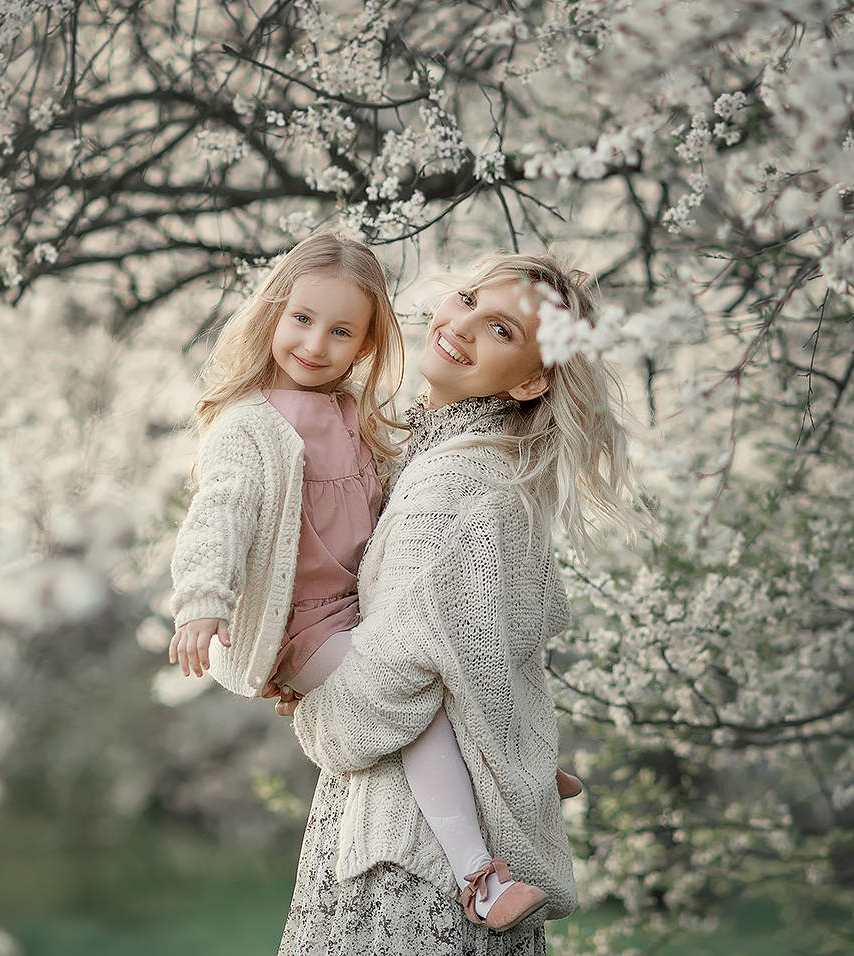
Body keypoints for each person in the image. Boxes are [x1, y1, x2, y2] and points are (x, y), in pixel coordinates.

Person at [168, 233, 552, 930]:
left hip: (356, 609)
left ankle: (514, 766)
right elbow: (219, 512)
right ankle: (480, 877)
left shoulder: (353, 417)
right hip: (308, 625)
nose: (316, 345)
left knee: (438, 663)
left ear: (367, 343)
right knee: (416, 709)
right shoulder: (251, 426)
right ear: (274, 315)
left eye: (341, 332)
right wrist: (202, 600)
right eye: (302, 320)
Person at [275, 253, 641, 955]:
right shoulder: (459, 460)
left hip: (411, 868)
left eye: (501, 330)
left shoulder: (457, 482)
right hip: (414, 838)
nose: (463, 325)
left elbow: (399, 671)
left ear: (531, 380)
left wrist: (310, 695)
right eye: (469, 299)